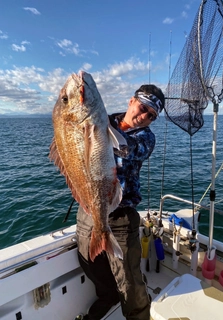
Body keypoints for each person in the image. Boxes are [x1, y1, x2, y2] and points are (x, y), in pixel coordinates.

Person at [75, 84, 165, 320]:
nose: (144, 116)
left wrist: (95, 126)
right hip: (89, 209)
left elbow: (125, 147)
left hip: (122, 217)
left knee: (130, 280)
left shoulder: (145, 137)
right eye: (143, 107)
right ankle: (108, 297)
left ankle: (138, 315)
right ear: (131, 101)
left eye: (151, 116)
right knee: (88, 261)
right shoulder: (101, 122)